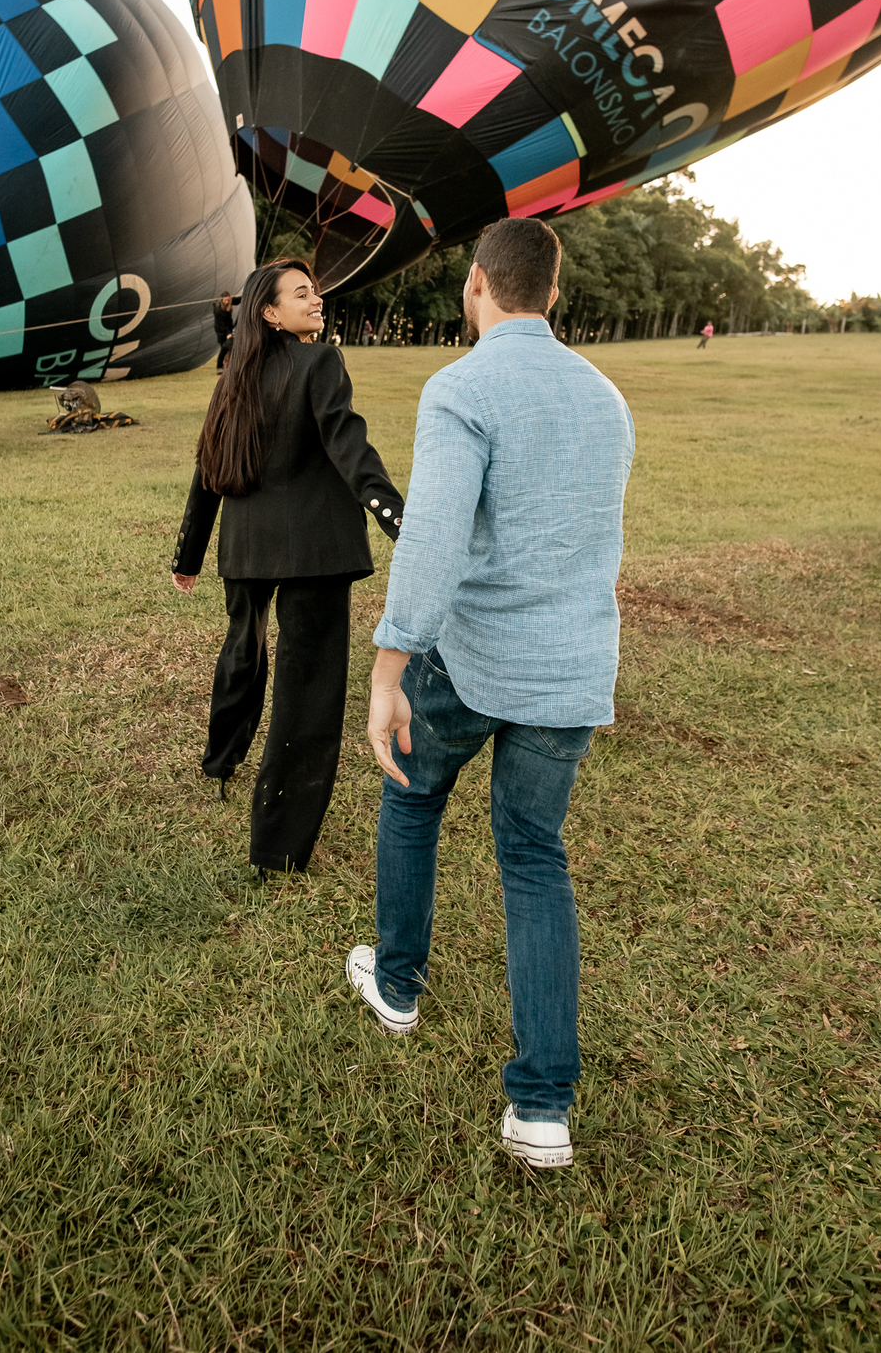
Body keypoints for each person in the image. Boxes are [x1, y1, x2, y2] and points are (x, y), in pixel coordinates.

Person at [346, 217, 634, 1171]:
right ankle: (543, 1109)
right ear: (552, 292)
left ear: (477, 285)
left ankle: (396, 984)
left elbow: (427, 542)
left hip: (470, 661)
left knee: (412, 796)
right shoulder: (606, 396)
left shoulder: (461, 387)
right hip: (571, 671)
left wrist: (389, 668)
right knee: (534, 860)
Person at [172, 259, 404, 875]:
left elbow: (206, 469)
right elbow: (347, 442)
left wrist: (189, 553)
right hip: (314, 553)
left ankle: (221, 761)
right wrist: (397, 517)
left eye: (316, 290)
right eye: (302, 293)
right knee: (307, 693)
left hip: (247, 549)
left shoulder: (233, 377)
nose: (316, 299)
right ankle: (277, 846)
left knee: (243, 656)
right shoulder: (320, 361)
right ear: (270, 312)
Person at [213, 292, 237, 369]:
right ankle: (220, 366)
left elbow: (237, 300)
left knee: (227, 349)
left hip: (228, 328)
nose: (227, 302)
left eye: (228, 300)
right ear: (222, 299)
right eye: (225, 300)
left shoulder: (228, 302)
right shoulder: (218, 309)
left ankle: (225, 365)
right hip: (221, 331)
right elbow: (222, 324)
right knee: (225, 348)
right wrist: (228, 333)